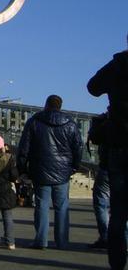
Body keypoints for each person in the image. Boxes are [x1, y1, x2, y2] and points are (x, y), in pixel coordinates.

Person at [17, 94, 83, 250]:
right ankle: (62, 241)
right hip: (63, 172)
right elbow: (78, 147)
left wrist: (22, 168)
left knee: (42, 205)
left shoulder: (34, 121)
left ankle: (41, 241)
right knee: (62, 207)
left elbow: (23, 148)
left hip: (40, 170)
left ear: (46, 104)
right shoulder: (70, 123)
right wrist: (74, 166)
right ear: (60, 106)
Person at [88, 37, 128, 269]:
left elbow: (93, 87)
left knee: (119, 212)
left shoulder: (118, 64)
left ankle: (117, 264)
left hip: (119, 146)